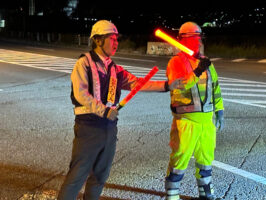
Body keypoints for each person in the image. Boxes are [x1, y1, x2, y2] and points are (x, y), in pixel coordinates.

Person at [58, 20, 180, 200]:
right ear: (98, 40)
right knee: (78, 175)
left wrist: (166, 85)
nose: (116, 42)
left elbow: (137, 84)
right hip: (88, 127)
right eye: (112, 38)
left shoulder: (114, 69)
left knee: (100, 175)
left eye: (117, 39)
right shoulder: (84, 63)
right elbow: (81, 93)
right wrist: (104, 111)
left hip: (109, 128)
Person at [164, 22, 225, 200]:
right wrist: (197, 71)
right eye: (193, 38)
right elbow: (180, 86)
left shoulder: (206, 63)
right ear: (183, 41)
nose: (197, 42)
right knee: (179, 160)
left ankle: (206, 194)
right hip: (186, 122)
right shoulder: (176, 62)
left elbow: (215, 88)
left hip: (206, 121)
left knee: (206, 160)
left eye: (199, 38)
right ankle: (172, 195)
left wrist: (219, 111)